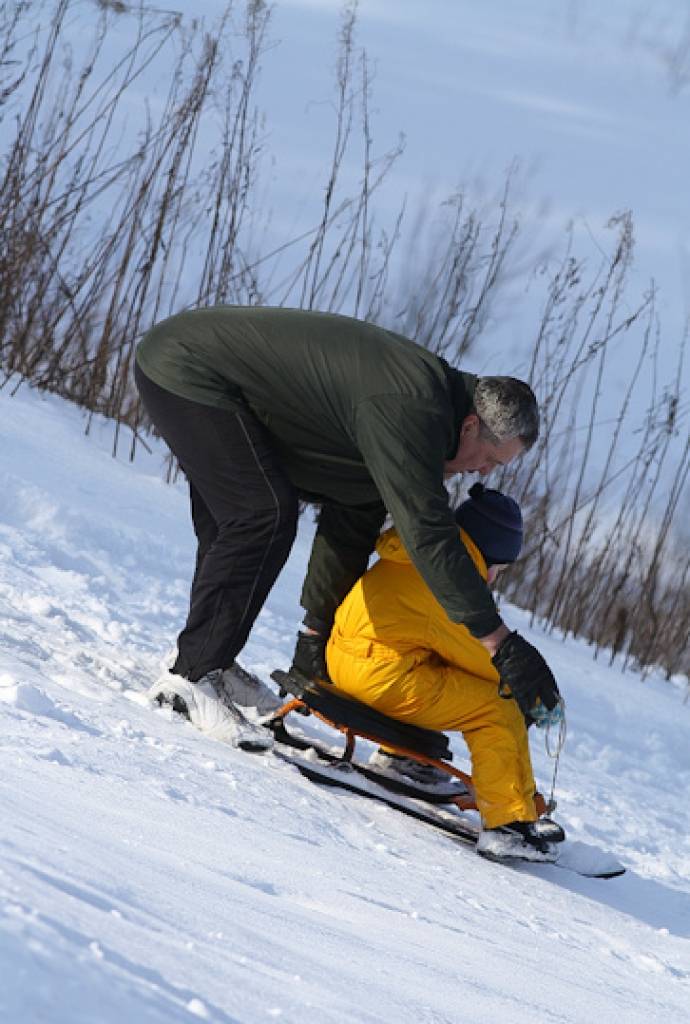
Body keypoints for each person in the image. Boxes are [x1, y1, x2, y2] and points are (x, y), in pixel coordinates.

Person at [134, 305, 559, 750]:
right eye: (490, 460)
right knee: (262, 516)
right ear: (471, 426)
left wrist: (315, 634)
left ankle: (207, 657)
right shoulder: (412, 410)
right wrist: (499, 642)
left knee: (248, 518)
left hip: (210, 380)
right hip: (189, 370)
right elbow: (429, 536)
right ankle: (191, 677)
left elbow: (354, 516)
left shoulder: (427, 419)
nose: (484, 473)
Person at [326, 482, 564, 862]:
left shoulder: (428, 553)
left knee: (440, 670)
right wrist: (531, 693)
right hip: (379, 676)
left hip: (349, 658)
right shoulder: (453, 586)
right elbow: (488, 663)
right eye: (498, 569)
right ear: (488, 556)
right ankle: (507, 824)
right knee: (496, 708)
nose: (493, 579)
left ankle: (405, 757)